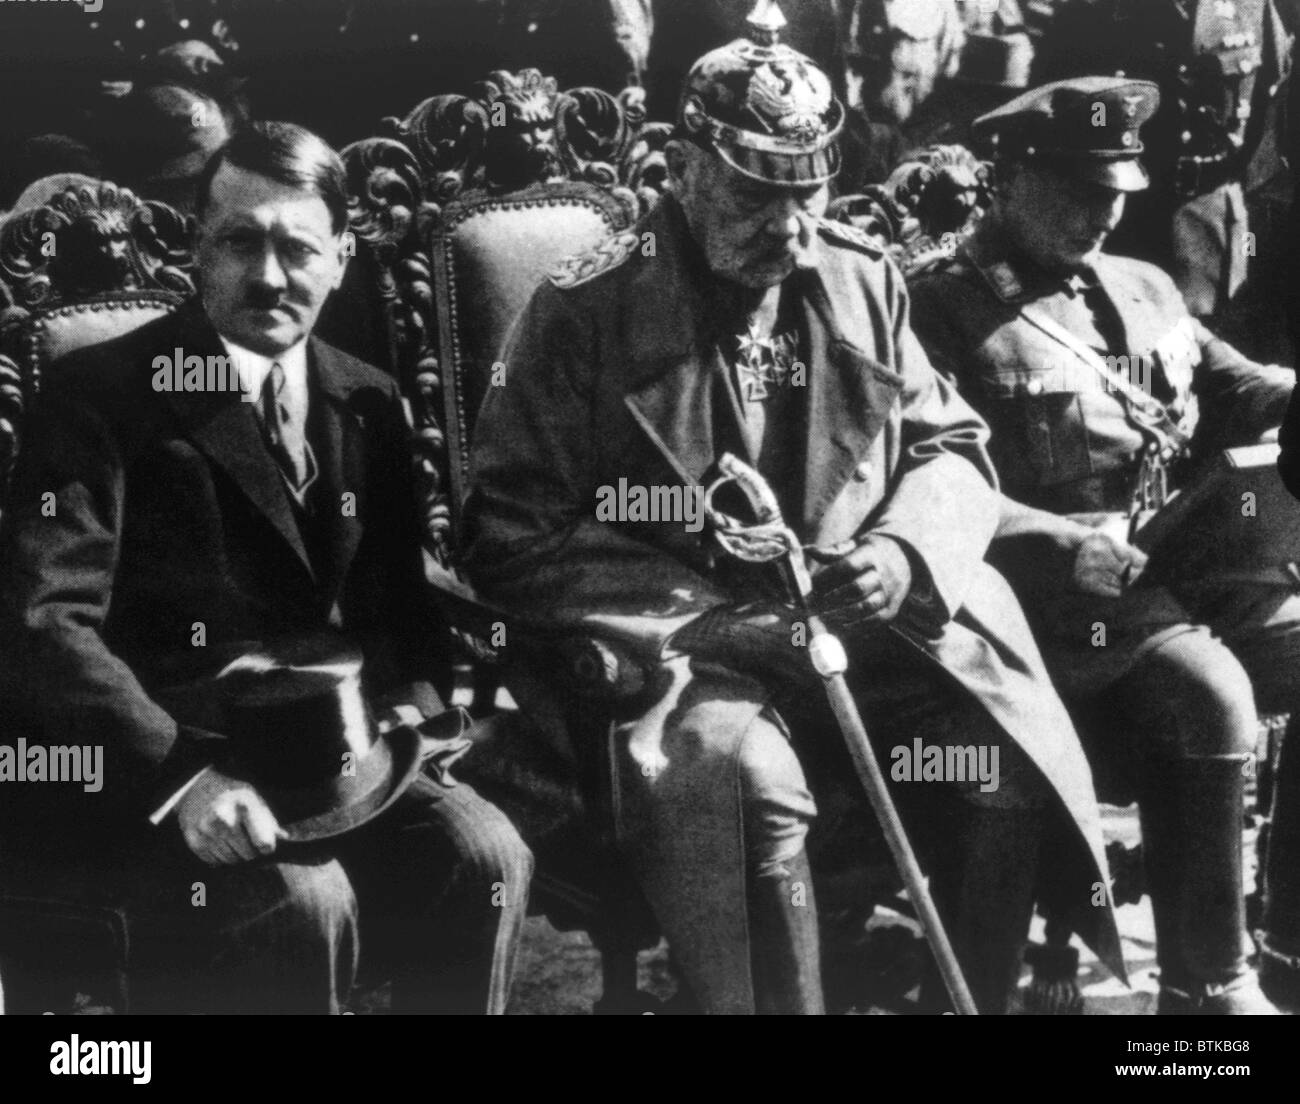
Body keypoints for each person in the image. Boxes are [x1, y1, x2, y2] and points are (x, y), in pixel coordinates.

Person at [463, 4, 1122, 1014]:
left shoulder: (857, 282)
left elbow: (948, 445)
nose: (787, 228)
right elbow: (509, 535)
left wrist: (904, 553)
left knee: (999, 757)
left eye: (808, 193)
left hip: (859, 633)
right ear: (680, 168)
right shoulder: (579, 313)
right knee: (750, 783)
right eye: (753, 194)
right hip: (679, 657)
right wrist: (705, 619)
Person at [0, 121, 532, 1014]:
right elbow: (43, 625)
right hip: (164, 774)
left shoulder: (369, 397)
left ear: (342, 257)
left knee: (487, 857)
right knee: (303, 905)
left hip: (335, 763)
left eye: (297, 248)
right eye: (240, 241)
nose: (270, 275)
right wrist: (182, 778)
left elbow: (399, 605)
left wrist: (426, 714)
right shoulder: (101, 397)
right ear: (196, 245)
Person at [909, 76, 1291, 1013]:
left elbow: (1238, 387)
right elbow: (919, 481)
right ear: (1006, 181)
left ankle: (1284, 945)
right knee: (1209, 695)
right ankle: (1210, 988)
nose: (1103, 211)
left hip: (1169, 573)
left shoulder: (1145, 283)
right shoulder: (935, 309)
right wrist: (1052, 544)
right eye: (1078, 189)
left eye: (1117, 188)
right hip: (1029, 604)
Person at [1033, 0, 1295, 330]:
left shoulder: (1252, 6)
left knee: (1211, 353)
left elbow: (1271, 98)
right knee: (1123, 346)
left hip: (1214, 224)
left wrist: (1243, 203)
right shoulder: (1091, 9)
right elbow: (1048, 112)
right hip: (1121, 217)